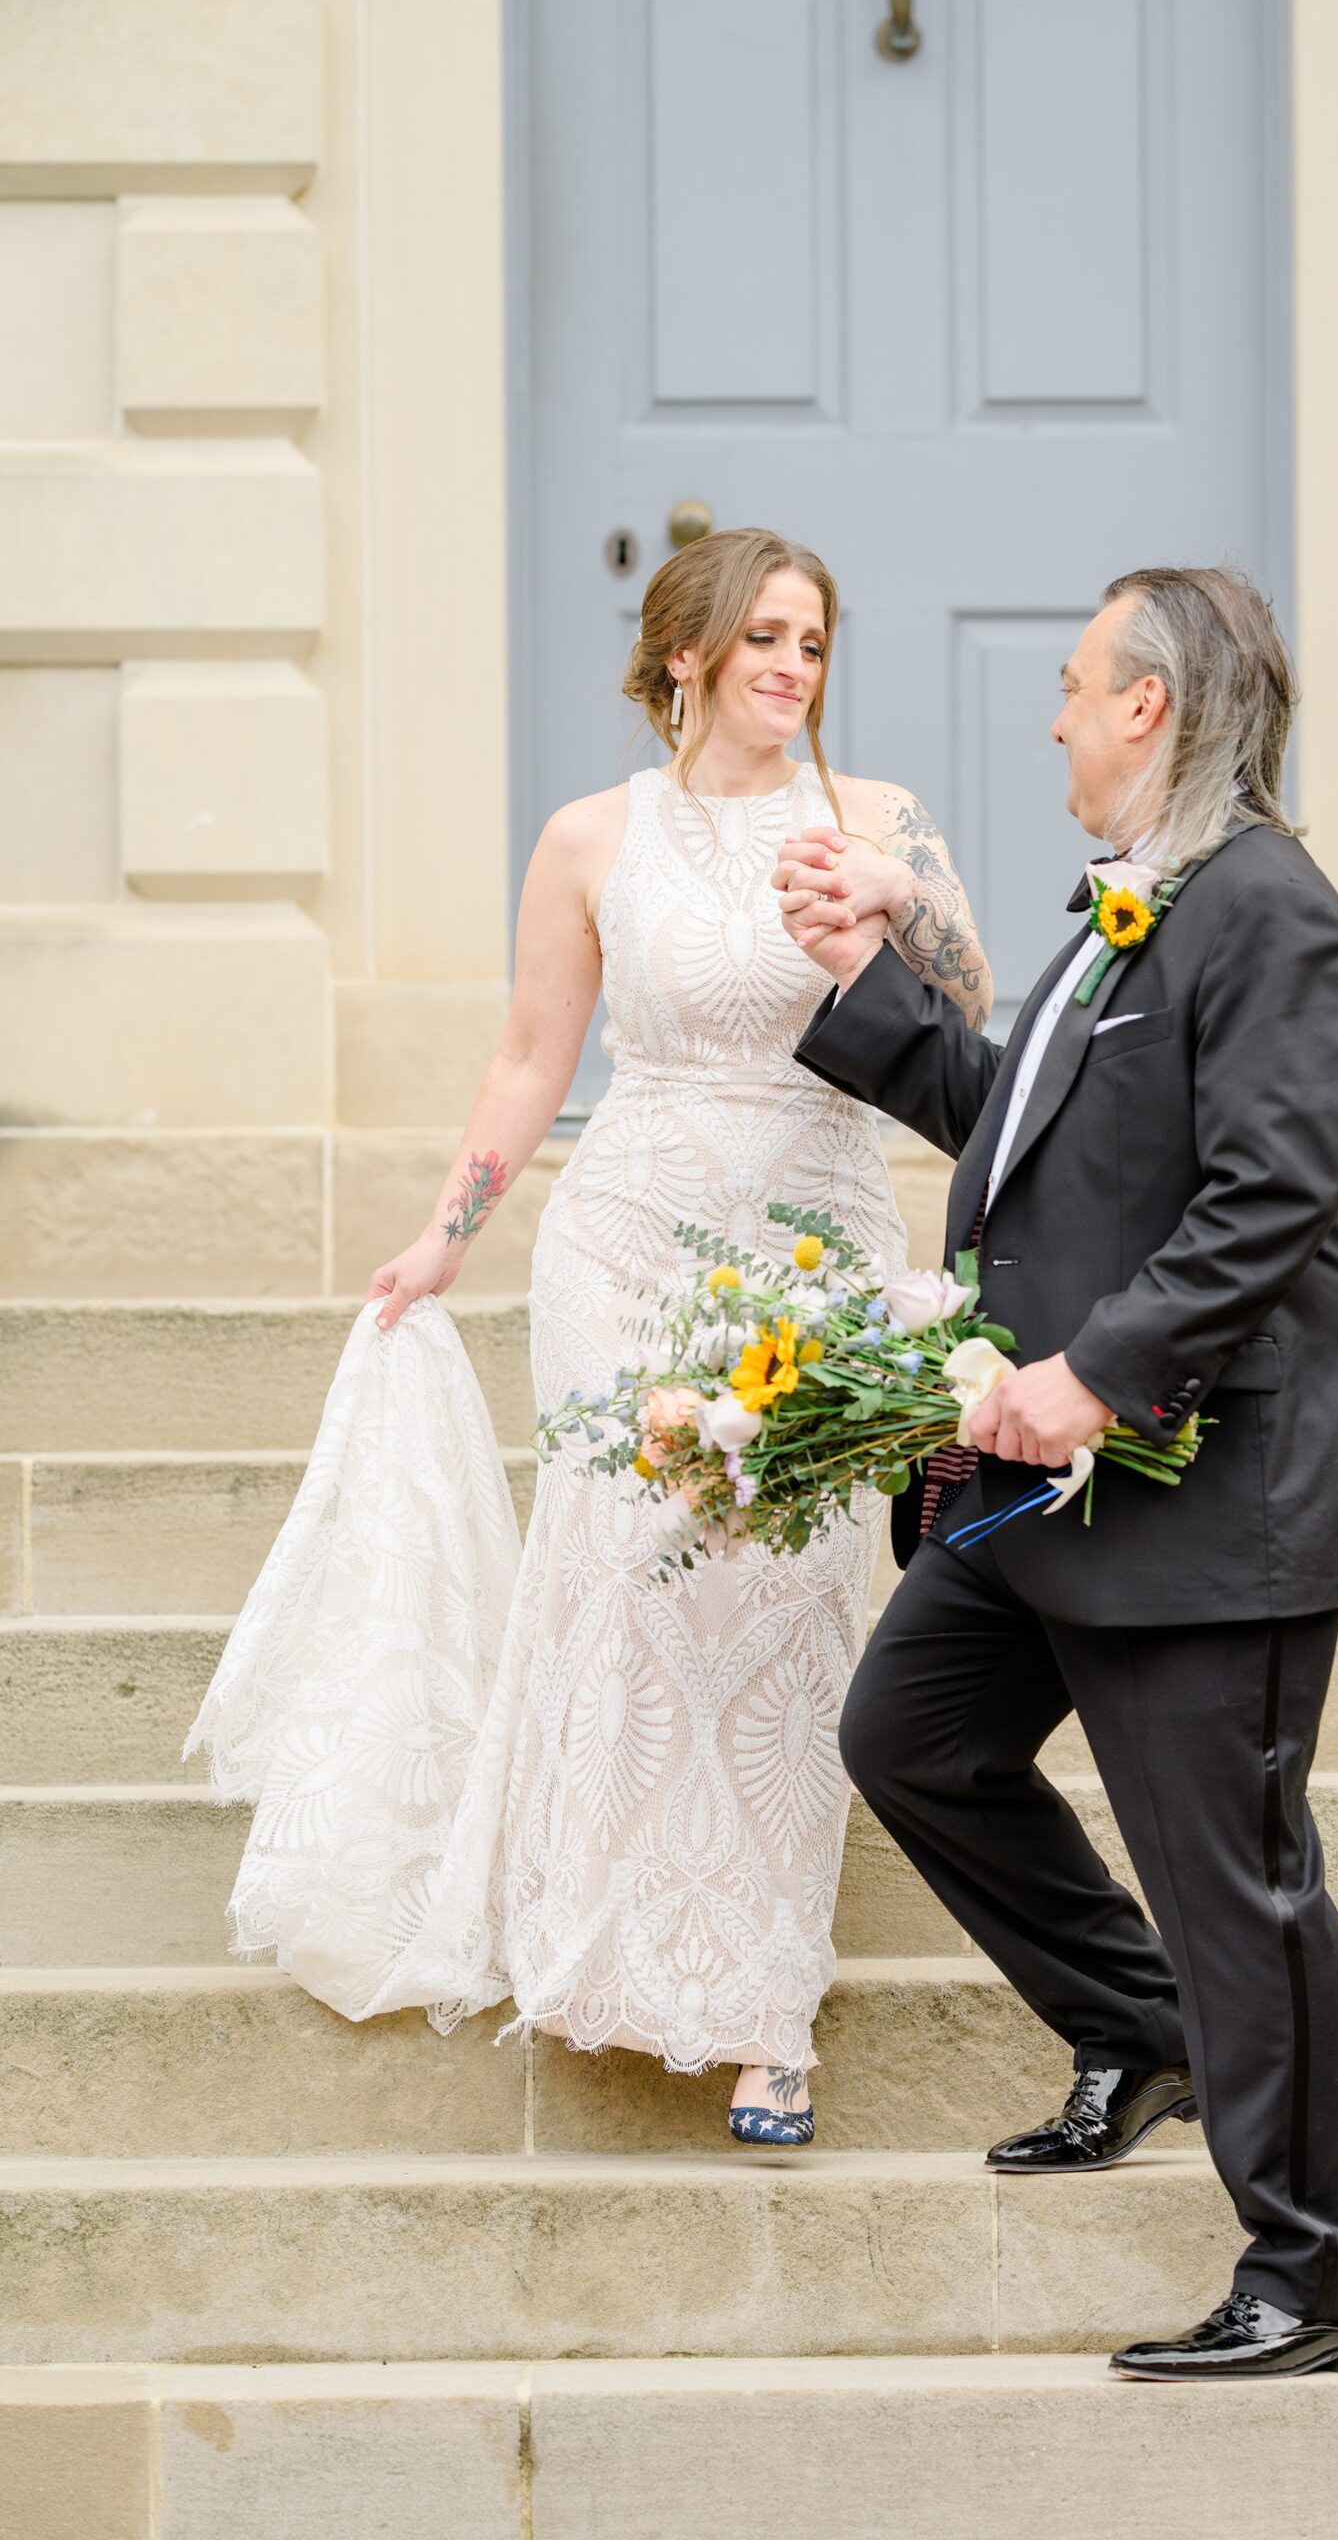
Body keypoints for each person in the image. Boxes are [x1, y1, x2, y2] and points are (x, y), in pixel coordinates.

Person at [190, 527, 989, 2147]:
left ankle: (769, 2008)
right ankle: (600, 1941)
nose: (791, 667)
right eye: (762, 636)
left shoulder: (879, 819)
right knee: (629, 1580)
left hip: (824, 1248)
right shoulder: (588, 839)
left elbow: (980, 1017)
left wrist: (911, 903)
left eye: (814, 644)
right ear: (685, 651)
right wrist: (446, 1232)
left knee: (786, 1605)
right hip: (630, 1252)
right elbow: (529, 1061)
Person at [773, 565, 1338, 2368]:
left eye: (1081, 688)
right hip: (1056, 1490)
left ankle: (1319, 2277)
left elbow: (1271, 1202)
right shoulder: (1132, 915)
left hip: (1206, 1494)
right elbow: (1031, 1127)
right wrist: (870, 981)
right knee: (909, 1735)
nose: (1062, 718)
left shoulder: (1270, 915)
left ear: (1153, 708)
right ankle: (1143, 2026)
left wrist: (1093, 1377)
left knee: (1237, 1876)